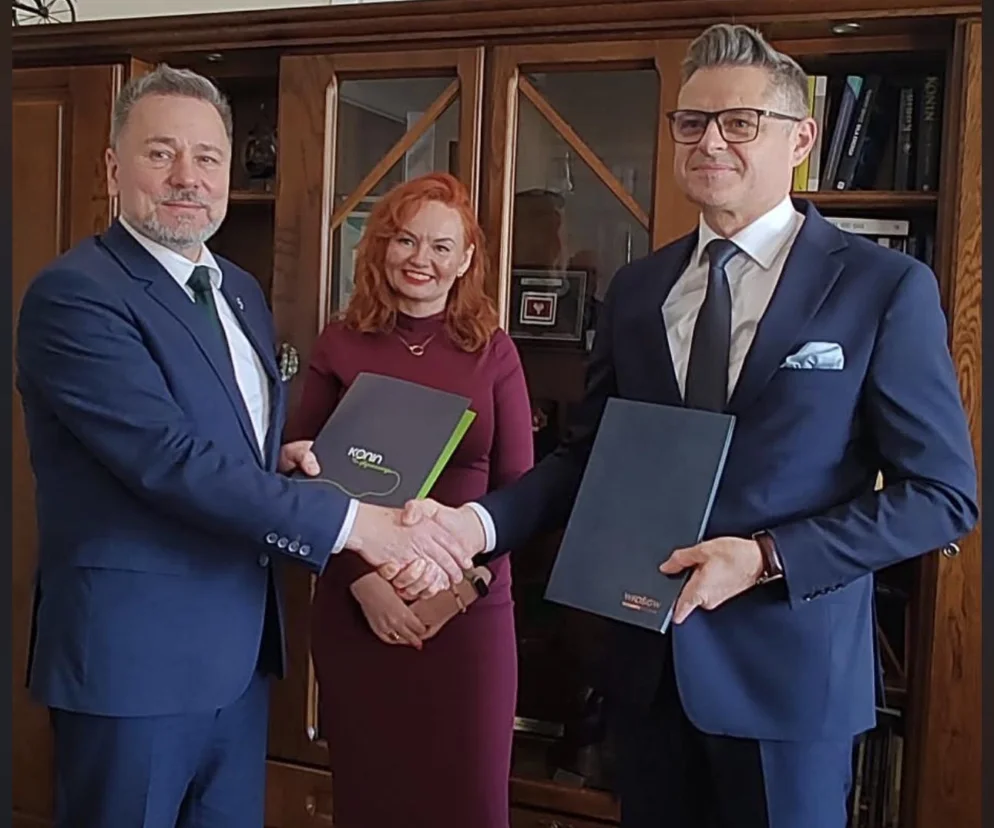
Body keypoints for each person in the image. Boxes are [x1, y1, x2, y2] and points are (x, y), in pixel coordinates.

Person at [399, 24, 979, 828]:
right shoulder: (640, 290)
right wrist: (477, 525)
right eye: (692, 121)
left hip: (788, 683)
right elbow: (590, 456)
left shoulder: (882, 288)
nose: (710, 141)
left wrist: (767, 557)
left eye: (740, 122)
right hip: (649, 673)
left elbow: (942, 496)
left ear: (801, 139)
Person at [15, 65, 471, 828]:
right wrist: (357, 524)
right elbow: (166, 459)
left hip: (240, 660)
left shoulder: (238, 290)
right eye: (161, 153)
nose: (187, 177)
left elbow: (221, 445)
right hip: (134, 665)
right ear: (113, 168)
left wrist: (277, 464)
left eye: (208, 157)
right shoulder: (77, 294)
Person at [283, 171, 534, 828]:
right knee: (371, 799)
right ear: (381, 247)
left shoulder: (494, 352)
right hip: (356, 606)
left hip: (470, 615)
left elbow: (521, 493)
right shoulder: (340, 342)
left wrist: (456, 593)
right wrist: (362, 583)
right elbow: (301, 474)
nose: (421, 259)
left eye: (441, 246)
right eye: (405, 240)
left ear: (467, 259)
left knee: (471, 804)